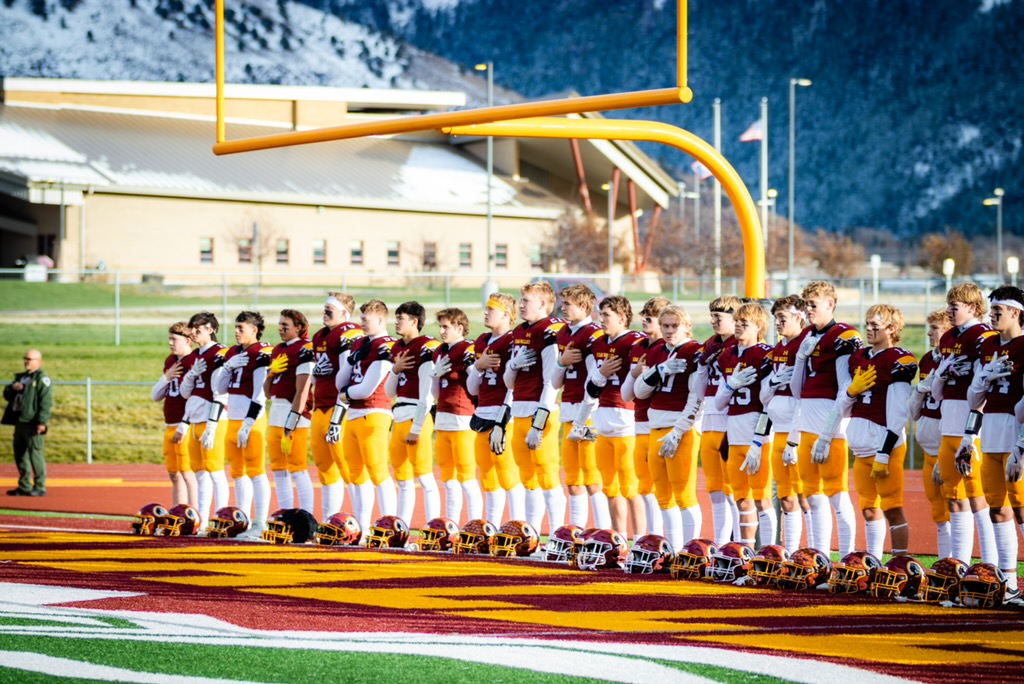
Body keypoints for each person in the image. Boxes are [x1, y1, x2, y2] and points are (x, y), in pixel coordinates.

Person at [790, 280, 862, 557]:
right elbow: (797, 390)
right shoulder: (807, 335)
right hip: (807, 422)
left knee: (837, 494)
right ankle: (820, 557)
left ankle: (847, 557)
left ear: (830, 304)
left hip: (830, 426)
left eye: (813, 304)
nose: (808, 310)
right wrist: (799, 358)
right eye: (805, 304)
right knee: (813, 496)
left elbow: (846, 389)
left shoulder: (843, 335)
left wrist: (828, 431)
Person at [840, 304, 916, 559]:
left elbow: (898, 415)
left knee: (892, 508)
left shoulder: (899, 360)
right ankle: (874, 561)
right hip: (861, 447)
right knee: (868, 508)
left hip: (885, 445)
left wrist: (884, 453)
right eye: (868, 324)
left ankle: (900, 563)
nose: (869, 329)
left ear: (892, 329)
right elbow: (845, 401)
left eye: (876, 325)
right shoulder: (859, 357)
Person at [931, 283, 998, 565]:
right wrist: (942, 374)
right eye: (949, 304)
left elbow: (984, 389)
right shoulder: (947, 336)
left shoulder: (984, 336)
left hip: (971, 426)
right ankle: (960, 565)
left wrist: (972, 432)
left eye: (954, 306)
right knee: (954, 499)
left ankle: (990, 565)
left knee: (978, 498)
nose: (949, 310)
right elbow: (936, 394)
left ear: (972, 307)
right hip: (948, 424)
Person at [967, 285, 1024, 603]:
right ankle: (1011, 585)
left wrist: (1021, 446)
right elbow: (974, 401)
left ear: (1015, 312)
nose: (992, 316)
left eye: (998, 311)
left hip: (1016, 434)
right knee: (998, 510)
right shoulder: (988, 346)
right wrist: (982, 378)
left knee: (1022, 508)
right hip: (990, 435)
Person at [632, 304, 703, 551]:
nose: (670, 330)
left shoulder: (695, 351)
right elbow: (639, 392)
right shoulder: (657, 351)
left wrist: (680, 429)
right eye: (666, 326)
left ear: (687, 327)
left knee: (684, 494)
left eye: (675, 326)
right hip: (655, 426)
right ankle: (673, 548)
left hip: (679, 428)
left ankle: (692, 550)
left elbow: (697, 398)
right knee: (663, 494)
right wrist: (659, 370)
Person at [504, 281, 566, 534]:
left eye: (526, 301)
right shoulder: (519, 330)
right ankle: (532, 534)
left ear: (542, 304)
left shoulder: (550, 330)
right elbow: (509, 383)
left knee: (547, 475)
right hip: (519, 408)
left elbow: (552, 381)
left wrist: (539, 421)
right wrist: (513, 366)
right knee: (528, 479)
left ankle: (557, 534)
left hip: (540, 412)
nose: (520, 305)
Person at [586, 295, 647, 540]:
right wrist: (600, 374)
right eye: (600, 315)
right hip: (602, 420)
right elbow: (591, 384)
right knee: (610, 488)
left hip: (626, 420)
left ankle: (642, 540)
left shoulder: (634, 342)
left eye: (607, 316)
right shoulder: (599, 343)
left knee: (632, 488)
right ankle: (618, 538)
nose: (601, 320)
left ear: (622, 318)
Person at [715, 302, 775, 548]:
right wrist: (731, 385)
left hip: (756, 432)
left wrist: (759, 439)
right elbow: (719, 402)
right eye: (737, 322)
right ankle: (745, 551)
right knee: (741, 499)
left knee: (762, 499)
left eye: (744, 323)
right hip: (734, 430)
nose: (738, 327)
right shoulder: (726, 355)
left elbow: (769, 404)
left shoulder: (765, 354)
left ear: (759, 327)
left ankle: (771, 552)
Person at [336, 299, 396, 535]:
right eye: (361, 318)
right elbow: (339, 381)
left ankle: (388, 526)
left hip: (375, 411)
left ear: (380, 319)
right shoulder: (360, 343)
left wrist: (345, 394)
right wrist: (350, 362)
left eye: (366, 318)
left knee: (378, 470)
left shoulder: (386, 345)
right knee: (356, 473)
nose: (361, 323)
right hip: (354, 414)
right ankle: (361, 527)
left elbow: (366, 389)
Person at [211, 311, 273, 538]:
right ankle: (243, 519)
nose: (236, 332)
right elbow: (219, 389)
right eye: (235, 327)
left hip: (251, 420)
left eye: (241, 328)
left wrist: (249, 421)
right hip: (232, 420)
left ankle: (260, 522)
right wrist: (227, 368)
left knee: (256, 471)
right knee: (237, 472)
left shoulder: (260, 353)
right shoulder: (234, 353)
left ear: (254, 330)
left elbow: (259, 394)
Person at [761, 296, 811, 553]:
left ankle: (814, 553)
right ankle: (790, 554)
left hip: (798, 431)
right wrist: (773, 382)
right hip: (778, 430)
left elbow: (806, 395)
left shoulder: (805, 345)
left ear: (799, 317)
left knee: (806, 497)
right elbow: (763, 397)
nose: (778, 323)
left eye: (783, 318)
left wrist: (795, 435)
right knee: (786, 497)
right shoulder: (777, 349)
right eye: (776, 318)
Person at [552, 284, 606, 529]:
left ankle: (604, 530)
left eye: (568, 304)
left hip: (589, 412)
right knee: (572, 478)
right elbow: (554, 381)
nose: (563, 308)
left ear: (584, 306)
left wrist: (585, 416)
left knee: (592, 476)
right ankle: (576, 530)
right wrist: (561, 364)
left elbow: (596, 379)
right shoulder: (563, 333)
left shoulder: (594, 334)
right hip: (568, 408)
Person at [467, 293, 521, 525]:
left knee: (509, 476)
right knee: (488, 477)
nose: (486, 312)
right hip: (483, 412)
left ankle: (519, 528)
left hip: (502, 414)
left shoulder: (512, 340)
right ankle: (492, 526)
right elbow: (472, 389)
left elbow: (514, 384)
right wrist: (477, 367)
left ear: (507, 315)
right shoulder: (481, 340)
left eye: (492, 309)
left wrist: (503, 419)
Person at [385, 301, 441, 525]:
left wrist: (417, 428)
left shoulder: (426, 347)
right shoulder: (398, 347)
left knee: (425, 477)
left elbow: (427, 394)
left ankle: (434, 528)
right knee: (403, 480)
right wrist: (395, 370)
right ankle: (403, 528)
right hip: (399, 415)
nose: (396, 322)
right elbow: (389, 391)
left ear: (414, 322)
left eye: (401, 318)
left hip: (417, 415)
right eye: (396, 317)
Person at [310, 292, 364, 521]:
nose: (324, 314)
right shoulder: (320, 335)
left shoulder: (348, 333)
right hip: (319, 406)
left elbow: (347, 376)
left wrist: (337, 418)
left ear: (344, 313)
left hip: (337, 408)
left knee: (346, 467)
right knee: (324, 468)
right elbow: (317, 375)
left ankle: (360, 522)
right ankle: (330, 520)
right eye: (324, 309)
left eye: (328, 310)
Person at [622, 297, 671, 537]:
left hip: (661, 423)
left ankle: (663, 538)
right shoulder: (639, 347)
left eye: (650, 316)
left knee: (664, 487)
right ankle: (649, 538)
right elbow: (627, 394)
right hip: (640, 421)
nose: (644, 319)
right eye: (644, 315)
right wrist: (634, 374)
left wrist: (647, 377)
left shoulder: (668, 349)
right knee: (644, 486)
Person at [431, 307, 483, 523]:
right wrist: (435, 376)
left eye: (446, 326)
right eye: (440, 326)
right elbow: (435, 394)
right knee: (449, 479)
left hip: (463, 419)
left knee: (467, 477)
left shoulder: (467, 349)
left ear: (460, 328)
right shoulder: (440, 351)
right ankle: (452, 524)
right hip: (443, 418)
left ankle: (474, 524)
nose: (442, 331)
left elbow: (476, 385)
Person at [909, 308, 953, 559]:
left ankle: (966, 565)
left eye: (935, 328)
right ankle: (945, 563)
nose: (929, 332)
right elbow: (915, 413)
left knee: (959, 508)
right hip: (929, 449)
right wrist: (918, 394)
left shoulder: (958, 359)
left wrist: (947, 451)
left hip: (948, 447)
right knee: (938, 512)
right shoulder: (926, 359)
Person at [179, 312, 229, 531]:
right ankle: (203, 519)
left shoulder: (220, 353)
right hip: (196, 419)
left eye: (198, 330)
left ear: (210, 329)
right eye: (193, 331)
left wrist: (212, 425)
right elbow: (184, 393)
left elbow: (220, 392)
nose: (194, 334)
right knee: (200, 472)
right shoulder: (196, 355)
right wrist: (190, 376)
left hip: (213, 419)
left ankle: (224, 518)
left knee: (215, 471)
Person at [698, 295, 741, 545]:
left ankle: (735, 545)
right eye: (712, 315)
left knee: (732, 490)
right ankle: (720, 543)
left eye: (719, 316)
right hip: (709, 419)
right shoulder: (710, 345)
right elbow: (698, 389)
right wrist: (703, 365)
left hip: (729, 420)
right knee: (714, 489)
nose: (714, 320)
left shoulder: (739, 345)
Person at [265, 309, 315, 514]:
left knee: (297, 467)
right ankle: (285, 514)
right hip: (276, 412)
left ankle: (307, 515)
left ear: (299, 327)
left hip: (293, 414)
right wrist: (270, 373)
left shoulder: (304, 348)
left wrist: (292, 420)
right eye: (279, 325)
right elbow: (268, 393)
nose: (280, 329)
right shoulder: (278, 349)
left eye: (285, 325)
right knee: (278, 468)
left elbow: (302, 390)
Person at [151, 322, 197, 509]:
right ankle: (179, 510)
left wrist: (185, 424)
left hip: (186, 425)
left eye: (174, 339)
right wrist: (166, 377)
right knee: (174, 473)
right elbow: (156, 396)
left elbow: (196, 397)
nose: (170, 343)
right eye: (169, 338)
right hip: (169, 424)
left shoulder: (193, 361)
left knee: (188, 472)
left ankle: (195, 514)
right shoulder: (170, 361)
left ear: (187, 340)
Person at [3, 349, 52, 496]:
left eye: (30, 359)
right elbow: (6, 395)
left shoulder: (42, 379)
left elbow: (45, 403)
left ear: (38, 361)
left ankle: (40, 486)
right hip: (20, 421)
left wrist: (41, 422)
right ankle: (24, 486)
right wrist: (12, 388)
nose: (26, 362)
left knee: (35, 454)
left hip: (33, 422)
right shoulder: (22, 378)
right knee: (20, 454)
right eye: (25, 358)